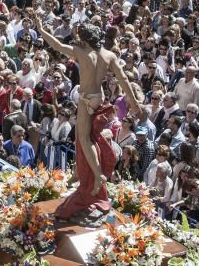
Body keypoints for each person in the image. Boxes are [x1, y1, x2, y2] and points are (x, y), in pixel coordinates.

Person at [38, 21, 143, 218]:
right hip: (99, 97)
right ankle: (79, 172)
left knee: (85, 140)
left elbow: (57, 46)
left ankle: (97, 175)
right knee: (82, 137)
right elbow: (124, 79)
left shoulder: (80, 51)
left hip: (87, 99)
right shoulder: (109, 55)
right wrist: (135, 103)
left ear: (85, 39)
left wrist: (41, 29)